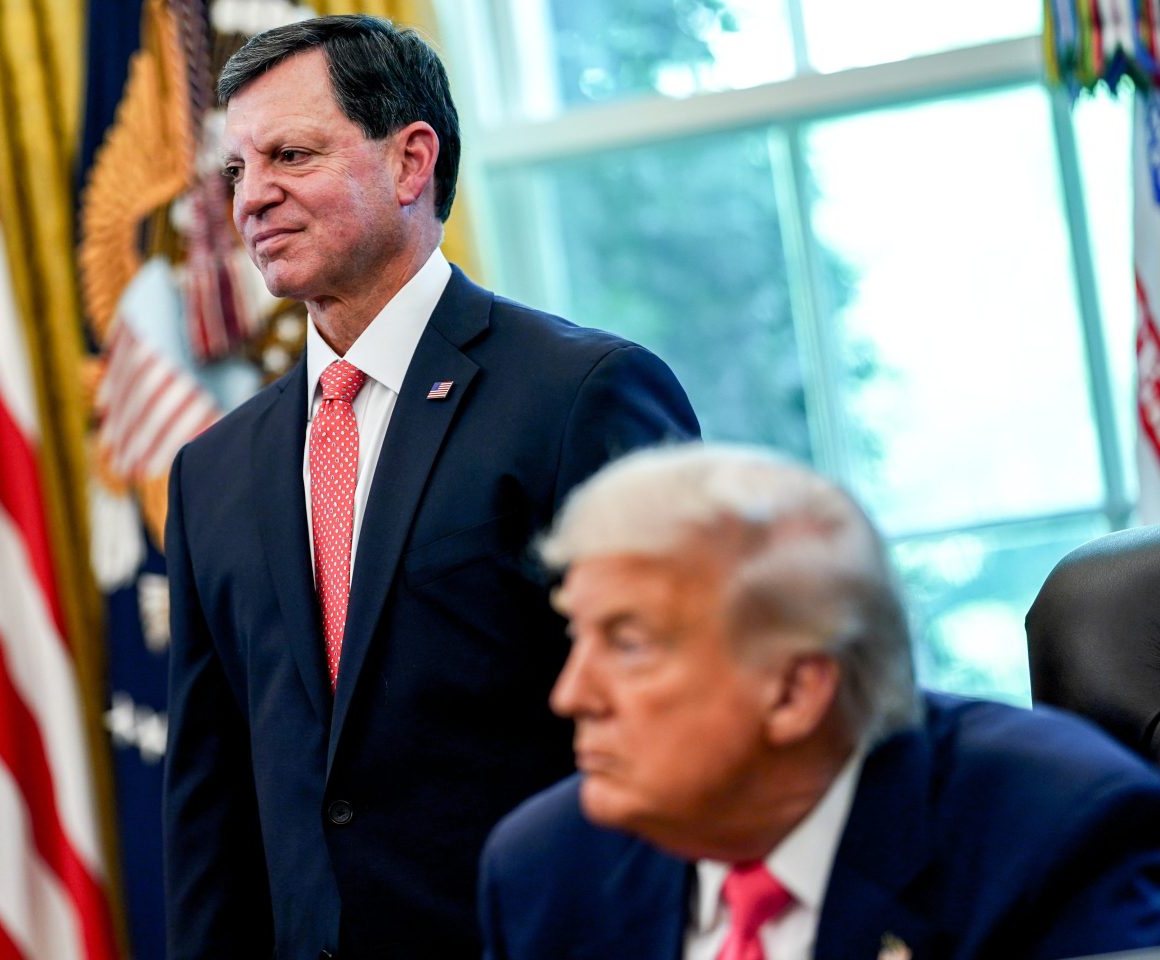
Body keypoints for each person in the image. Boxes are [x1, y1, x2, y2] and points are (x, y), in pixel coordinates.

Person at [162, 14, 700, 959]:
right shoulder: (211, 474)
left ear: (412, 161)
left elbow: (680, 723)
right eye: (238, 170)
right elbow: (213, 802)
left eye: (291, 154)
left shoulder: (580, 396)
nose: (252, 199)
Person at [479, 445, 1160, 960]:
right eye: (578, 635)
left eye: (628, 645)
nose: (572, 694)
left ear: (796, 692)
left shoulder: (1053, 832)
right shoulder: (545, 870)